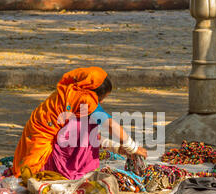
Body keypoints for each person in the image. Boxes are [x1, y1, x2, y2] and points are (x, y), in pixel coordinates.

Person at [12, 67, 147, 180]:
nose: (101, 103)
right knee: (86, 123)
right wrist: (132, 148)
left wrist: (116, 148)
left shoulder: (68, 93)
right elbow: (109, 125)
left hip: (32, 147)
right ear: (93, 92)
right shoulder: (84, 99)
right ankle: (70, 168)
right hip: (44, 156)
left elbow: (87, 137)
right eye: (102, 98)